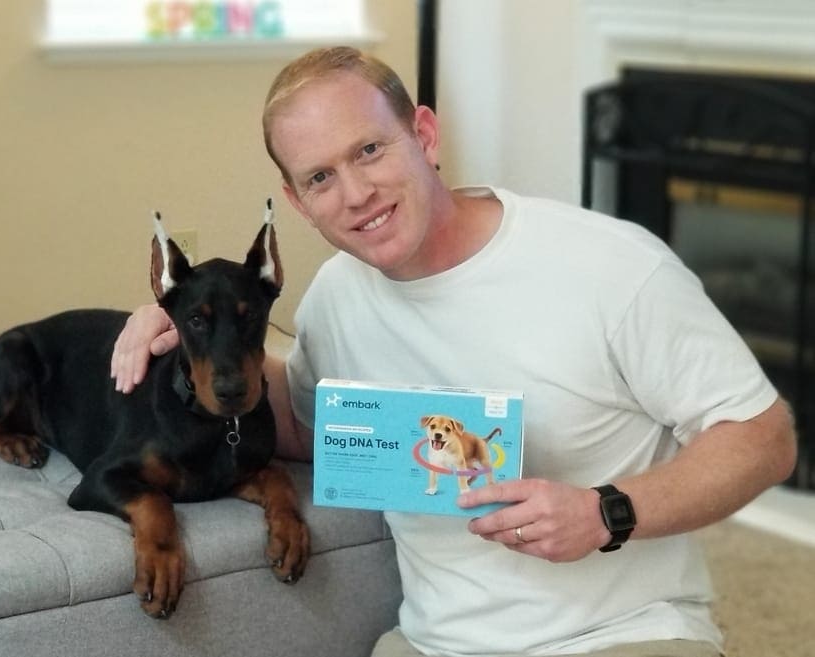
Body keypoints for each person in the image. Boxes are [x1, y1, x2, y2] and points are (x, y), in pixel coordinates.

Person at [110, 47, 797, 657]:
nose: (356, 194)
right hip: (432, 643)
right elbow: (305, 424)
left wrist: (606, 512)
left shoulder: (611, 267)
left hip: (622, 634)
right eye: (320, 178)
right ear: (297, 202)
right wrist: (182, 336)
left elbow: (764, 438)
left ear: (425, 135)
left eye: (369, 150)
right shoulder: (337, 297)